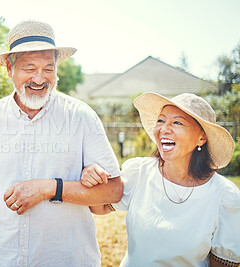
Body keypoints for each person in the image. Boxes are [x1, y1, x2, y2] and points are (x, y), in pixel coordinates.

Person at [0, 20, 123, 267]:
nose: (39, 78)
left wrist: (49, 187)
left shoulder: (81, 116)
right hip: (9, 258)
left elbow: (113, 190)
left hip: (69, 259)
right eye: (29, 68)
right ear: (9, 69)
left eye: (48, 68)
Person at [81, 92, 240, 266]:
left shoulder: (224, 196)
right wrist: (93, 176)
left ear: (202, 137)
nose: (164, 129)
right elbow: (100, 207)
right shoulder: (140, 172)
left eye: (177, 122)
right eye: (161, 120)